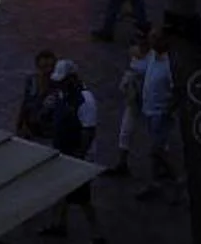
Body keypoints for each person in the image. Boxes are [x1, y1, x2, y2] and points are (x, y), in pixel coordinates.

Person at [38, 60, 108, 244]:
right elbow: (48, 119)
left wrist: (78, 156)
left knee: (82, 196)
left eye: (63, 80)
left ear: (72, 78)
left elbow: (88, 131)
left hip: (78, 153)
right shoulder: (62, 94)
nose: (59, 84)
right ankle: (60, 224)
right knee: (60, 190)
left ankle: (97, 233)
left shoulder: (85, 100)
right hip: (62, 149)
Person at [137, 29, 177, 199]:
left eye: (154, 38)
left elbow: (177, 91)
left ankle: (176, 179)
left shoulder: (170, 65)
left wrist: (168, 110)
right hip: (149, 109)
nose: (150, 40)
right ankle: (157, 181)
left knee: (157, 150)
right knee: (156, 150)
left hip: (160, 112)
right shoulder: (153, 55)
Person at [105, 30, 150, 177]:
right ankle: (122, 163)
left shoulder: (153, 58)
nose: (140, 44)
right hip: (134, 98)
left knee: (155, 132)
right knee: (125, 130)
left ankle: (164, 166)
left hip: (149, 99)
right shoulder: (136, 53)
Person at [15, 49, 58, 142]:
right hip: (31, 131)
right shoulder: (32, 81)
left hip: (49, 133)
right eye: (44, 67)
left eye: (51, 67)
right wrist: (19, 126)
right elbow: (25, 103)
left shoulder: (58, 86)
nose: (48, 71)